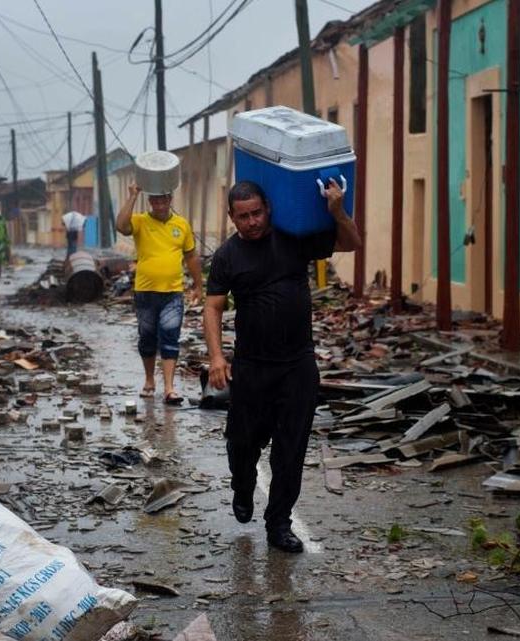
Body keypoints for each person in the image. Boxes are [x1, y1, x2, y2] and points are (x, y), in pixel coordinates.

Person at [203, 179, 360, 553]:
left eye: (257, 212)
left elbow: (351, 242)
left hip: (297, 366)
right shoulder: (227, 256)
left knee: (290, 451)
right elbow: (213, 307)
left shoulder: (294, 238)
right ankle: (242, 486)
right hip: (252, 367)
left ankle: (279, 525)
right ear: (232, 218)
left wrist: (337, 211)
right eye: (243, 216)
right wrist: (216, 357)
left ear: (268, 209)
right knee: (242, 444)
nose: (252, 222)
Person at [116, 183, 202, 405]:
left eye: (163, 199)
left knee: (170, 337)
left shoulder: (181, 225)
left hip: (173, 293)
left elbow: (191, 256)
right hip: (145, 292)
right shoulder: (141, 221)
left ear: (170, 199)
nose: (160, 204)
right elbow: (120, 225)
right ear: (150, 202)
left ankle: (170, 388)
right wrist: (133, 196)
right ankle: (148, 380)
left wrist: (198, 285)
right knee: (147, 337)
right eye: (155, 200)